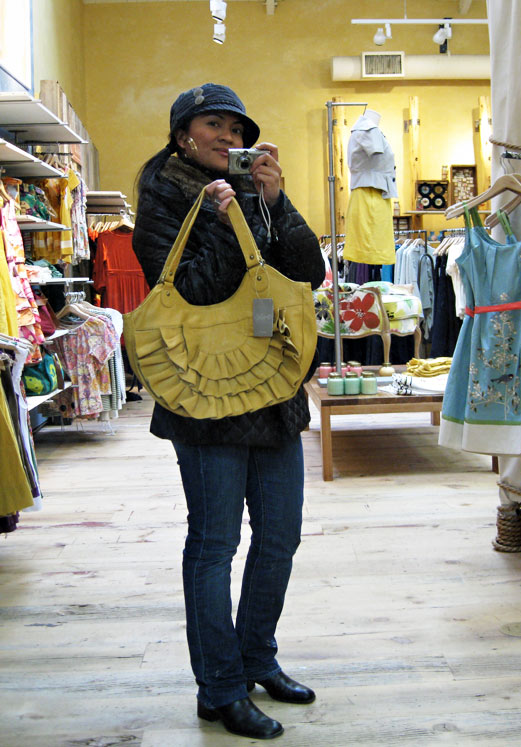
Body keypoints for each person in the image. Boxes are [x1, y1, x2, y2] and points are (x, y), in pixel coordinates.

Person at [132, 83, 325, 740]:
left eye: (237, 130)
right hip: (204, 392)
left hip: (271, 384)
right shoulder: (164, 197)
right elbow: (191, 291)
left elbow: (308, 272)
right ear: (182, 135)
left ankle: (256, 658)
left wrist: (273, 200)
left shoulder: (252, 190)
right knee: (215, 543)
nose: (228, 137)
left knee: (280, 536)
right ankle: (218, 686)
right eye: (213, 124)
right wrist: (223, 217)